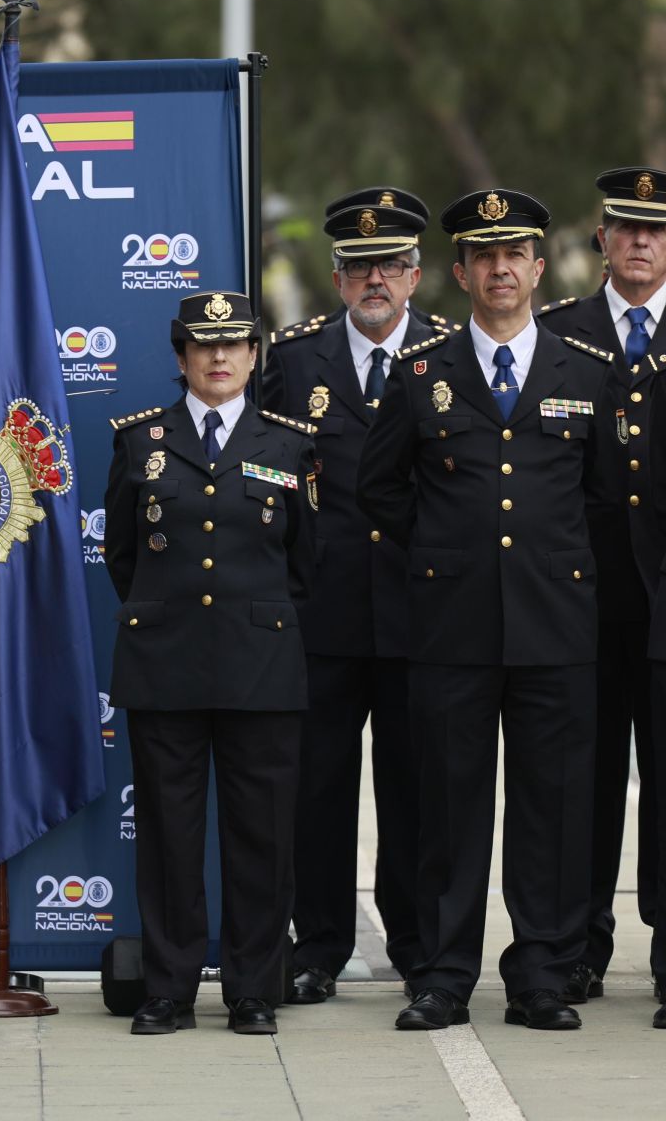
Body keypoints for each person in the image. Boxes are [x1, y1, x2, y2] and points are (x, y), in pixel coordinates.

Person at [360, 189, 617, 1033]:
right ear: (461, 273)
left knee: (553, 804)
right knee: (450, 805)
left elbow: (604, 500)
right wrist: (440, 553)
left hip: (555, 629)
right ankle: (441, 974)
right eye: (484, 256)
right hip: (453, 627)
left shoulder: (587, 372)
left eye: (516, 256)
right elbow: (379, 486)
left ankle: (542, 971)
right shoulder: (422, 372)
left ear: (539, 270)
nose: (500, 270)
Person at [104, 290, 317, 1036]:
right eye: (203, 345)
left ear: (256, 355)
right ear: (181, 357)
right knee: (168, 833)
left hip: (261, 664)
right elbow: (124, 557)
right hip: (166, 664)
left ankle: (253, 988)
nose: (219, 358)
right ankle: (168, 990)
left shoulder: (289, 444)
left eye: (234, 345)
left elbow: (306, 562)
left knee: (260, 835)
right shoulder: (140, 441)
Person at [259, 188, 447, 1002]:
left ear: (416, 277)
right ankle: (321, 944)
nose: (376, 280)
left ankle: (412, 943)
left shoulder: (449, 355)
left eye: (391, 267)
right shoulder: (295, 362)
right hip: (322, 611)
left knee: (415, 785)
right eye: (360, 267)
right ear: (337, 280)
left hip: (421, 612)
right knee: (318, 788)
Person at [534, 169, 666, 1006]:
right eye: (628, 228)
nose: (643, 242)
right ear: (603, 241)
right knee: (578, 780)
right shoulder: (562, 335)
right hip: (580, 599)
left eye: (657, 231)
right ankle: (581, 944)